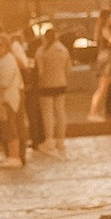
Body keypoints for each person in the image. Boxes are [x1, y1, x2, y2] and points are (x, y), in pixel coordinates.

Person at [0, 31, 29, 166]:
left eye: (0, 45)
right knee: (11, 126)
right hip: (8, 98)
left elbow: (4, 82)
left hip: (9, 98)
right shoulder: (3, 61)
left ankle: (14, 155)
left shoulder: (8, 61)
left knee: (11, 127)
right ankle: (14, 155)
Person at [34, 23, 72, 151]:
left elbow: (40, 71)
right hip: (61, 83)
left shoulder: (42, 51)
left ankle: (49, 139)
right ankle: (60, 139)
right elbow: (69, 68)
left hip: (46, 85)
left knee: (47, 113)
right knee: (60, 112)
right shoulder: (63, 49)